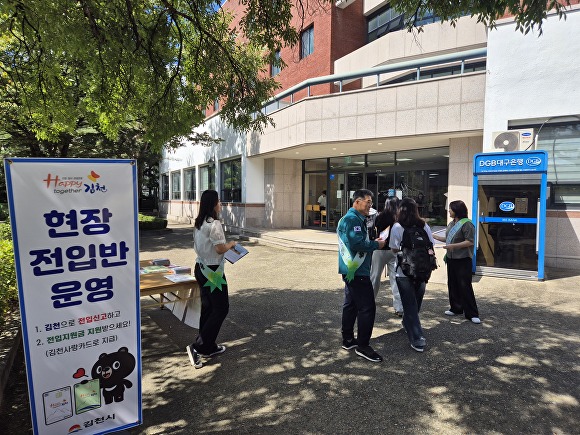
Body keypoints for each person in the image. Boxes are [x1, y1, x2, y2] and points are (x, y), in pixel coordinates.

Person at [186, 190, 238, 369]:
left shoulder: (199, 223)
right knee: (221, 308)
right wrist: (231, 245)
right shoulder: (214, 224)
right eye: (219, 201)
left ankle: (208, 346)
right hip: (213, 273)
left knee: (208, 307)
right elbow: (220, 249)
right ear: (213, 204)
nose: (220, 205)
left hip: (200, 268)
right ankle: (198, 346)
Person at [337, 189, 387, 363]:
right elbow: (357, 243)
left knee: (350, 305)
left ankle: (349, 339)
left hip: (352, 270)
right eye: (368, 202)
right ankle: (363, 346)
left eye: (371, 203)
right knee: (367, 308)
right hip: (357, 272)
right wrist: (376, 244)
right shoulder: (352, 220)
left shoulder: (355, 219)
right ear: (357, 202)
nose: (370, 206)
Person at [389, 197, 436, 352]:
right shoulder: (424, 225)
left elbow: (394, 249)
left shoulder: (397, 226)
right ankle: (410, 325)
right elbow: (431, 244)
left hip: (404, 271)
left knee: (409, 305)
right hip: (423, 269)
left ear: (400, 210)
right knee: (415, 303)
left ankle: (417, 338)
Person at [432, 200, 481, 324]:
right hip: (451, 258)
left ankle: (472, 313)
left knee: (465, 285)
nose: (448, 211)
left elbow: (470, 241)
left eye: (450, 209)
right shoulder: (452, 223)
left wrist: (453, 246)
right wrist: (435, 237)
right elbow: (448, 239)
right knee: (452, 283)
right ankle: (456, 308)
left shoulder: (467, 224)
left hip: (463, 259)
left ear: (457, 210)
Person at [370, 197, 403, 316]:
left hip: (379, 249)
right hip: (394, 250)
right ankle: (399, 307)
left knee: (375, 276)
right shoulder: (400, 218)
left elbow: (375, 228)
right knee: (395, 279)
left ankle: (370, 301)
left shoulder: (381, 216)